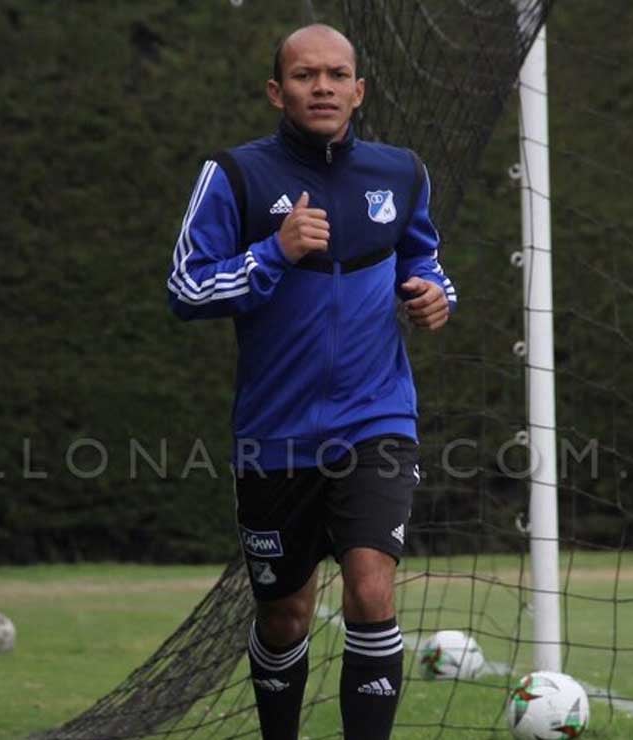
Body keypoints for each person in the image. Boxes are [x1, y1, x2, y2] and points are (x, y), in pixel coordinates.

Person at [167, 23, 456, 740]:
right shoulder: (234, 175)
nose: (320, 87)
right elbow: (185, 288)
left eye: (335, 75)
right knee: (286, 614)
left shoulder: (401, 172)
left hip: (376, 419)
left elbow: (426, 261)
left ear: (359, 90)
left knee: (370, 587)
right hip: (276, 433)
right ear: (277, 90)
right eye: (303, 76)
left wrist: (433, 294)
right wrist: (274, 250)